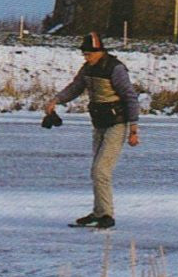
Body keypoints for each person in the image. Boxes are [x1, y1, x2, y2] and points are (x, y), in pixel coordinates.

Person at [43, 31, 141, 229]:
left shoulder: (116, 69)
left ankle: (106, 215)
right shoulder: (87, 69)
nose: (86, 57)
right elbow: (76, 87)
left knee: (100, 170)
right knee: (96, 170)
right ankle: (99, 213)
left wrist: (133, 128)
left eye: (89, 54)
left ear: (100, 52)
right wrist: (56, 100)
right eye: (85, 54)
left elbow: (130, 97)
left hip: (117, 124)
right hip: (99, 123)